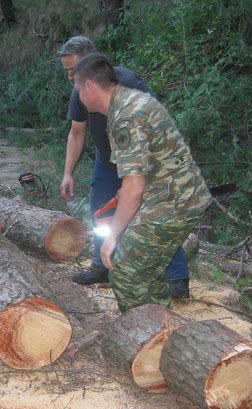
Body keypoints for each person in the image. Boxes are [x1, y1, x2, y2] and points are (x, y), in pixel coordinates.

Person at [71, 53, 212, 313]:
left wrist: (112, 236)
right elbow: (136, 178)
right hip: (175, 195)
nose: (77, 98)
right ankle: (161, 327)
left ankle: (144, 335)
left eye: (78, 90)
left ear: (89, 88)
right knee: (148, 270)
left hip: (172, 201)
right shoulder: (129, 101)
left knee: (124, 271)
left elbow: (134, 188)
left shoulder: (125, 119)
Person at [58, 36, 190, 299]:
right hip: (107, 163)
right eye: (67, 72)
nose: (70, 77)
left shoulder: (127, 82)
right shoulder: (78, 93)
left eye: (73, 70)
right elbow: (76, 133)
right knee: (100, 214)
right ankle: (102, 265)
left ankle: (177, 279)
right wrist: (68, 172)